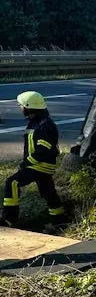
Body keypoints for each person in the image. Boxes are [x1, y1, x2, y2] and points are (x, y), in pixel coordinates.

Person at [1, 92, 67, 227]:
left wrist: (27, 163)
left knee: (12, 183)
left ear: (28, 107)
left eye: (21, 105)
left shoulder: (43, 125)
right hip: (40, 165)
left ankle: (9, 218)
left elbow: (43, 150)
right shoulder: (36, 122)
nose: (20, 108)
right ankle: (59, 219)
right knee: (48, 192)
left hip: (39, 165)